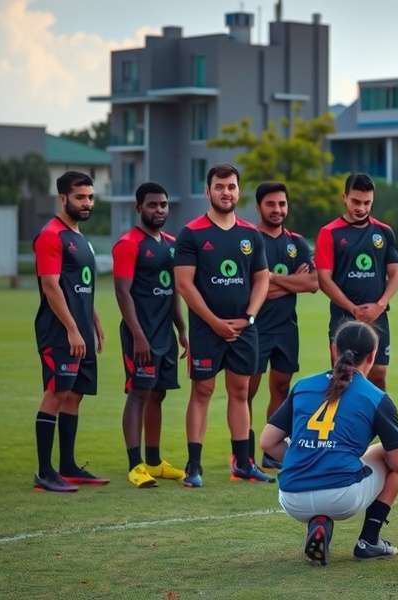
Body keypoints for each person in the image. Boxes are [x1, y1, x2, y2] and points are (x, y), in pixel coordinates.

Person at [260, 320, 398, 565]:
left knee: (347, 461)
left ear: (333, 349)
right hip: (341, 497)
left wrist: (307, 459)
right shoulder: (376, 396)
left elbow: (267, 442)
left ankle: (319, 524)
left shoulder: (303, 386)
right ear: (373, 355)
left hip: (291, 497)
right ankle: (369, 540)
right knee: (389, 455)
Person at [173, 164, 273, 487]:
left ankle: (242, 463)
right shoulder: (191, 233)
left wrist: (250, 317)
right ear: (208, 190)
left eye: (231, 186)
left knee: (241, 391)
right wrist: (214, 322)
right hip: (206, 329)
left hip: (244, 329)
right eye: (220, 187)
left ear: (238, 191)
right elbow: (185, 285)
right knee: (202, 390)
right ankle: (194, 466)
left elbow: (262, 279)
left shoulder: (250, 235)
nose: (226, 192)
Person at [32, 171, 109, 492]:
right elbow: (51, 287)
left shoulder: (79, 237)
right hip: (59, 333)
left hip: (81, 331)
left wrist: (94, 321)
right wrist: (73, 330)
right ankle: (45, 472)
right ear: (62, 198)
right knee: (56, 393)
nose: (87, 202)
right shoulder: (51, 235)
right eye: (80, 197)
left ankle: (67, 466)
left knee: (75, 396)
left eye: (90, 197)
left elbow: (81, 286)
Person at [112, 182, 189, 488]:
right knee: (138, 393)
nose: (159, 210)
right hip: (139, 334)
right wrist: (138, 335)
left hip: (165, 334)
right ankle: (135, 465)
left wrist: (182, 330)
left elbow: (173, 293)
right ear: (138, 208)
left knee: (158, 394)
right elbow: (122, 291)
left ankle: (154, 462)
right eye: (152, 205)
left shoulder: (171, 244)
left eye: (163, 205)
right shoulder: (128, 243)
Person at [248, 182, 318, 470]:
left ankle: (271, 450)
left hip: (286, 328)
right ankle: (243, 453)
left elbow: (313, 283)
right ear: (259, 207)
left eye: (282, 204)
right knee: (246, 392)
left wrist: (269, 280)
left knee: (281, 386)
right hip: (254, 328)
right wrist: (291, 282)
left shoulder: (297, 243)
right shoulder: (249, 240)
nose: (277, 210)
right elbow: (248, 289)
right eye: (271, 204)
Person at [314, 173, 398, 390]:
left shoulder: (384, 232)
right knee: (343, 377)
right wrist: (353, 309)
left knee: (379, 374)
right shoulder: (329, 233)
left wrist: (379, 306)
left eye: (367, 203)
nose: (361, 207)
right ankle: (343, 423)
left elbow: (395, 274)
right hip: (343, 318)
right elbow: (324, 280)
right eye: (355, 201)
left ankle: (377, 422)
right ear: (345, 197)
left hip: (377, 317)